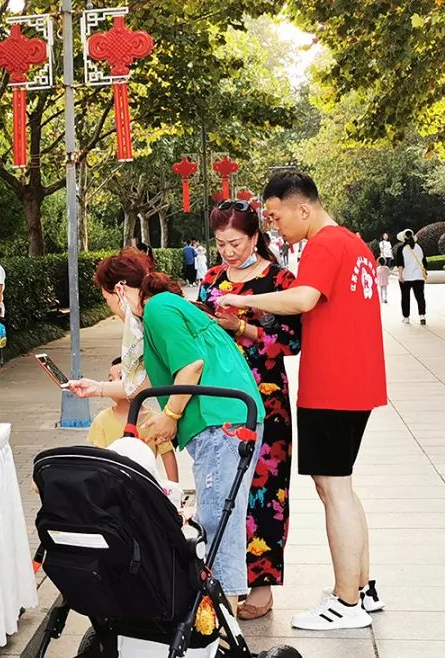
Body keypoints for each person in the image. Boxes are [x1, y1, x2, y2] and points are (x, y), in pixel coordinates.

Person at [217, 172, 386, 630]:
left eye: (275, 216)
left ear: (303, 209)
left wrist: (241, 303)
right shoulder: (353, 243)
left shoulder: (325, 245)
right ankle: (362, 588)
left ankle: (346, 603)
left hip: (335, 385)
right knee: (341, 489)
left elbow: (304, 298)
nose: (275, 227)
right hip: (355, 382)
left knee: (334, 491)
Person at [67, 249, 263, 609]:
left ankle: (224, 610)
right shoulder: (159, 311)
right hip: (224, 417)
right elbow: (144, 384)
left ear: (121, 289)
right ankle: (221, 605)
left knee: (219, 518)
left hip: (222, 419)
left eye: (107, 297)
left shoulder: (157, 309)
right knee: (215, 514)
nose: (109, 306)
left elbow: (190, 367)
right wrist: (97, 388)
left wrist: (169, 416)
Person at [198, 199, 302, 621]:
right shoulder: (212, 278)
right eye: (221, 243)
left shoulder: (280, 280)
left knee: (264, 488)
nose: (228, 251)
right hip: (221, 397)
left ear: (256, 237)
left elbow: (291, 342)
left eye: (236, 242)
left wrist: (241, 326)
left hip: (266, 397)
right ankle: (224, 575)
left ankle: (261, 582)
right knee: (222, 487)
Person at [86, 357, 180, 482]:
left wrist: (174, 490)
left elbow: (168, 456)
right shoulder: (101, 420)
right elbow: (98, 461)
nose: (114, 384)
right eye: (110, 380)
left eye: (121, 378)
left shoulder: (154, 419)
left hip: (145, 484)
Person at [395, 229, 427, 325]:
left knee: (405, 297)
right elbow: (424, 262)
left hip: (406, 277)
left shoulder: (401, 248)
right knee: (420, 296)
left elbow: (400, 263)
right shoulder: (419, 247)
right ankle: (422, 316)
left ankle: (406, 317)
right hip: (419, 277)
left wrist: (400, 275)